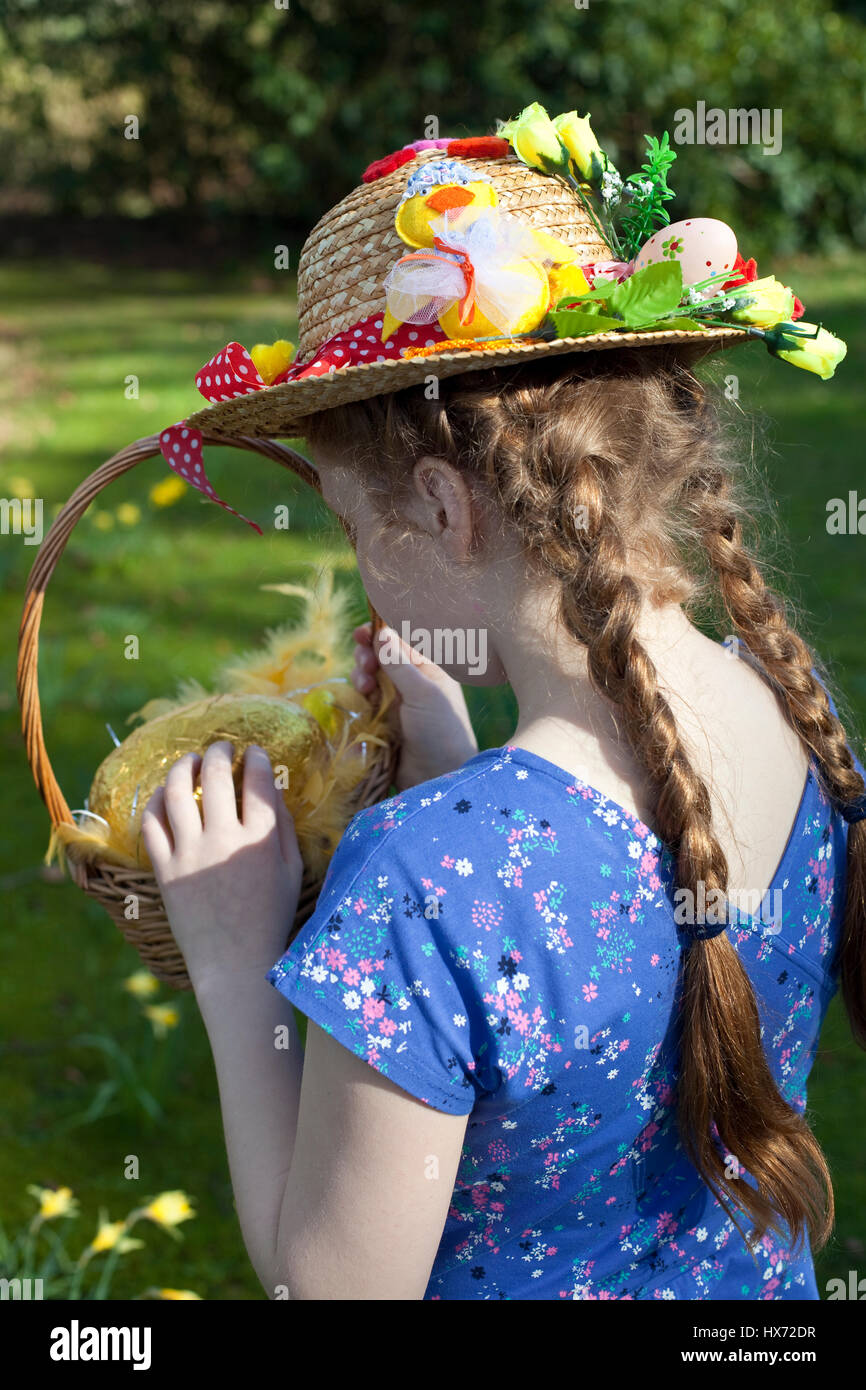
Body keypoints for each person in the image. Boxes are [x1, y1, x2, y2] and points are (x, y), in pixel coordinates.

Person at [142, 119, 865, 1300]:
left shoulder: (420, 878)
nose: (356, 562)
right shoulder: (792, 706)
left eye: (346, 521)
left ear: (439, 504)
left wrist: (233, 968)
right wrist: (449, 761)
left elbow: (331, 1287)